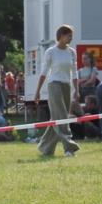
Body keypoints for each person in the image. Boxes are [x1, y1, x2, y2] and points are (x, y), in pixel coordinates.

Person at [33, 24, 81, 157]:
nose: (71, 38)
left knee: (57, 118)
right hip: (54, 85)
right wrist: (37, 92)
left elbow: (74, 72)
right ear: (61, 36)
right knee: (62, 116)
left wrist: (76, 90)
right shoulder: (51, 52)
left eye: (72, 36)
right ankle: (69, 147)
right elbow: (44, 73)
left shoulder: (72, 52)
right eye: (68, 35)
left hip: (67, 86)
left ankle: (45, 148)